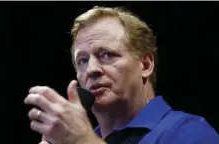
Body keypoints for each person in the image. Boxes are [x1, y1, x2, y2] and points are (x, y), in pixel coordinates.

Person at [24, 6, 219, 144]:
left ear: (145, 64)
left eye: (106, 55)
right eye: (82, 60)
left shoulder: (189, 133)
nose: (91, 69)